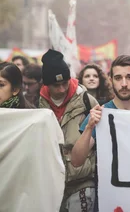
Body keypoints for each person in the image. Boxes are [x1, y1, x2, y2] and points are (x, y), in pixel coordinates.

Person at [38, 50, 99, 212]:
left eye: (65, 82)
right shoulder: (38, 104)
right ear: (46, 84)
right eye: (56, 85)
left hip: (82, 180)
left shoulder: (86, 100)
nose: (61, 89)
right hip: (51, 182)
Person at [71, 55, 130, 168]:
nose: (124, 84)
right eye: (118, 78)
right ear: (111, 81)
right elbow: (76, 161)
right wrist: (89, 128)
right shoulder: (100, 114)